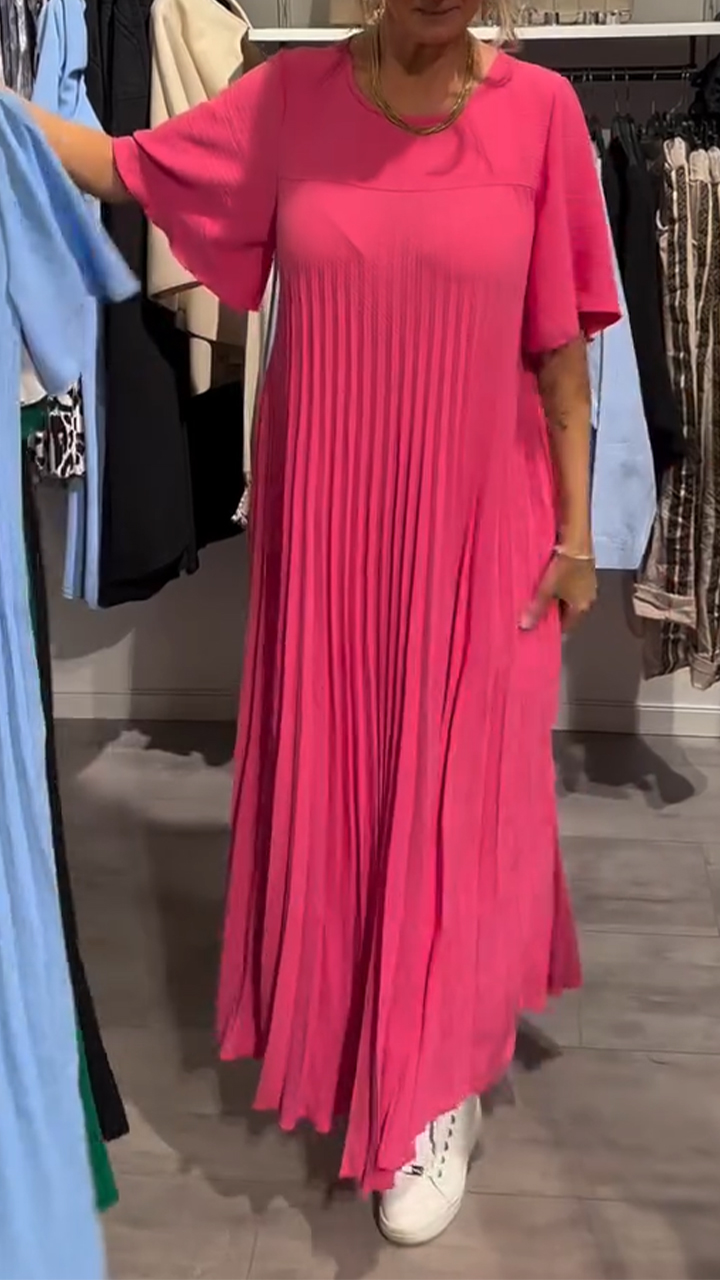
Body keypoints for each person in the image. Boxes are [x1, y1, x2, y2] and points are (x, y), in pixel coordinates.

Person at [22, 0, 619, 1246]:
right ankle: (375, 1031)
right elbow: (123, 164)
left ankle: (434, 1086)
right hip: (333, 541)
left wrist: (576, 538)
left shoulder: (543, 114)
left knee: (455, 800)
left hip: (481, 533)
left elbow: (562, 352)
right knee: (349, 789)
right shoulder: (289, 104)